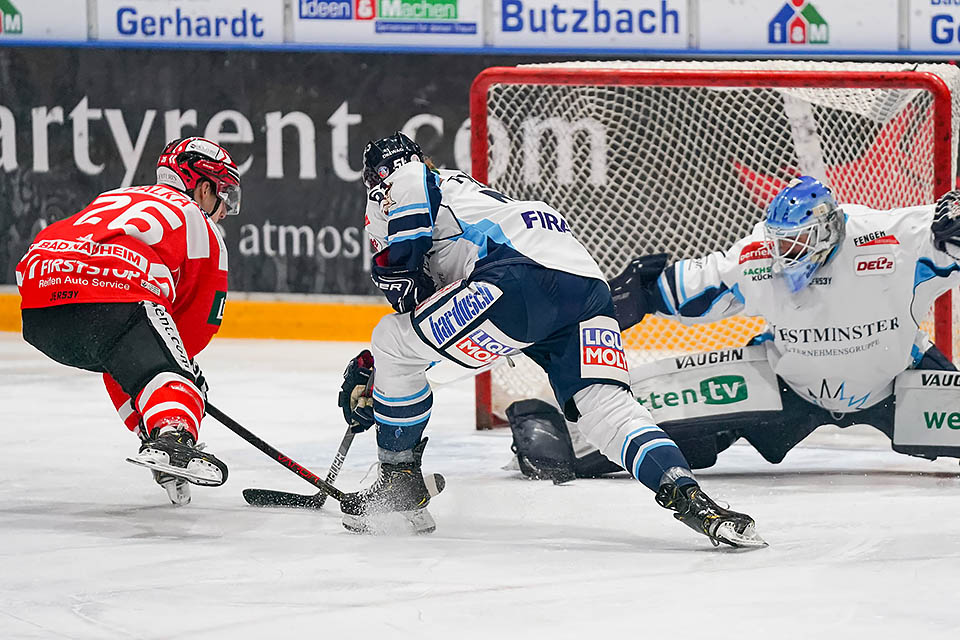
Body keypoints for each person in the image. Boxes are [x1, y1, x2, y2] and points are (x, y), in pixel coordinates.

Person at [336, 131, 766, 548]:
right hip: (585, 286)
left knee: (391, 341)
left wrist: (382, 377)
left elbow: (408, 285)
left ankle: (398, 487)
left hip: (516, 282)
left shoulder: (401, 179)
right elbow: (442, 326)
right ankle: (687, 494)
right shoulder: (464, 195)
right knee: (607, 411)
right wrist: (389, 385)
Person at [511, 176, 960, 477]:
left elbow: (942, 227)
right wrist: (628, 298)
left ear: (828, 231)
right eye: (780, 241)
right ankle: (545, 421)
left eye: (798, 241)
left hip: (900, 382)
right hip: (787, 385)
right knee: (639, 441)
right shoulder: (758, 256)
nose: (786, 253)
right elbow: (691, 288)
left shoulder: (893, 238)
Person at [15, 137, 241, 505]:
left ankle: (160, 437)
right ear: (203, 189)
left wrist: (156, 368)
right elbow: (196, 323)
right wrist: (183, 374)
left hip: (41, 302)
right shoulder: (197, 220)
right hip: (112, 291)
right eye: (224, 194)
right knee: (163, 368)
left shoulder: (117, 196)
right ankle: (173, 435)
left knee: (130, 359)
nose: (226, 210)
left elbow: (130, 355)